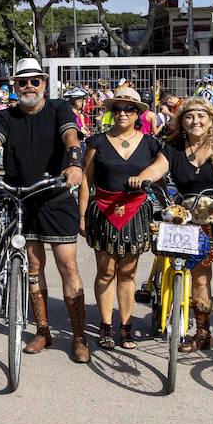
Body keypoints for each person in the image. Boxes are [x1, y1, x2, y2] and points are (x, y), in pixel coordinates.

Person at [0, 58, 89, 363]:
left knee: (67, 266)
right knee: (33, 266)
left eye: (35, 81)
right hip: (21, 197)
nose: (29, 86)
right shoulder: (6, 116)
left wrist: (74, 161)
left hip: (56, 195)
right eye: (23, 82)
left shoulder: (58, 108)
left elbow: (70, 135)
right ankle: (42, 330)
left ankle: (79, 336)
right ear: (15, 86)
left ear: (44, 83)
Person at [132, 97, 213, 361]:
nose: (196, 121)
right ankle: (202, 333)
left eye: (201, 116)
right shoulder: (174, 148)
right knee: (199, 279)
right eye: (189, 117)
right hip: (193, 221)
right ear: (182, 121)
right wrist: (140, 178)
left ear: (211, 119)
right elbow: (157, 169)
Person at [78, 86, 161, 351]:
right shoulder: (97, 142)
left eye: (129, 108)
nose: (123, 113)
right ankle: (105, 326)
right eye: (118, 108)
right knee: (105, 272)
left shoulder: (150, 143)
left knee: (128, 273)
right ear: (112, 112)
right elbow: (85, 180)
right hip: (103, 210)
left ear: (139, 114)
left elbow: (165, 167)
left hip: (136, 211)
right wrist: (81, 215)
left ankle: (126, 327)